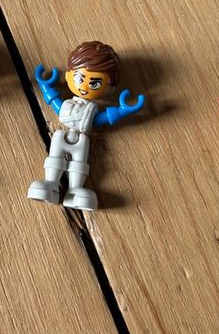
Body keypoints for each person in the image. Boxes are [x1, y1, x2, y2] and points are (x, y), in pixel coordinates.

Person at [29, 41, 144, 210]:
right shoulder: (67, 105)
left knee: (79, 164)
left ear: (110, 89)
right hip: (62, 137)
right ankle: (50, 183)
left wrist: (122, 110)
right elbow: (55, 102)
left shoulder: (91, 112)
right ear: (68, 76)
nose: (84, 87)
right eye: (79, 78)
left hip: (81, 139)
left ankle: (75, 190)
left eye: (94, 84)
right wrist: (46, 87)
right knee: (54, 157)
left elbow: (103, 118)